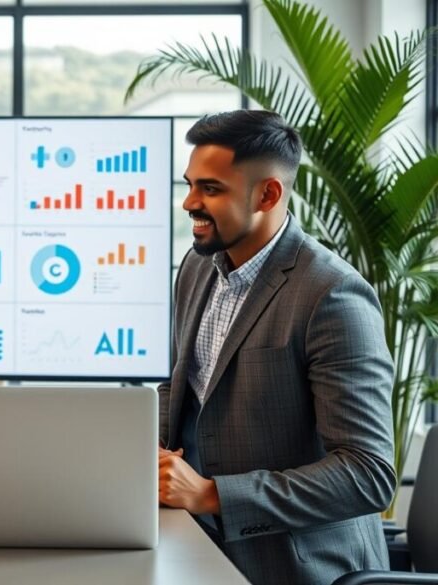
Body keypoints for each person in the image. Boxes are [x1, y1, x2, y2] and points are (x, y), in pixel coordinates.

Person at [157, 110, 396, 585]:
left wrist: (212, 495)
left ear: (267, 194)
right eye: (189, 184)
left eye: (210, 188)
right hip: (197, 549)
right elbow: (187, 388)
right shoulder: (196, 267)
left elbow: (368, 473)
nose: (189, 203)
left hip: (298, 568)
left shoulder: (332, 295)